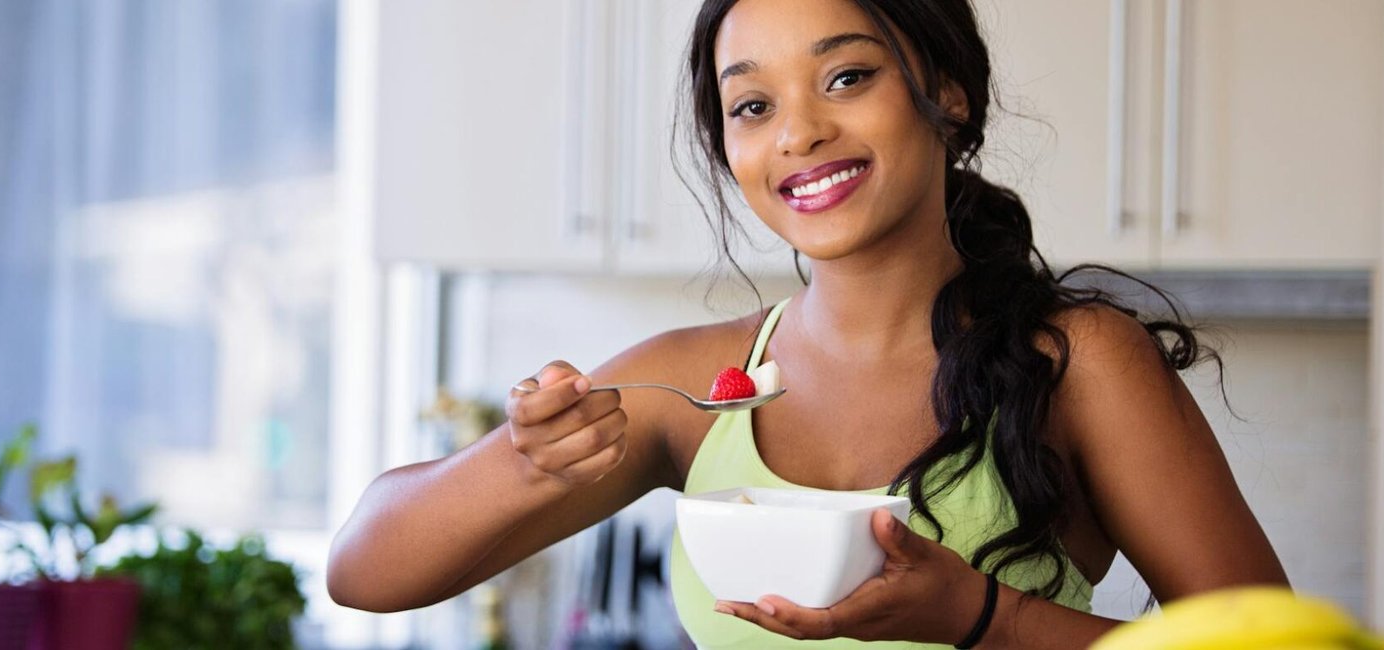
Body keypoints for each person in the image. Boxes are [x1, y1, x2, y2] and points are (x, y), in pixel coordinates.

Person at [327, 0, 1289, 647]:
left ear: (946, 92)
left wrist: (975, 613)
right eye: (752, 104)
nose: (797, 133)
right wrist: (523, 462)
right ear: (729, 150)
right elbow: (366, 572)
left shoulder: (1076, 363)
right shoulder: (701, 384)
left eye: (846, 78)